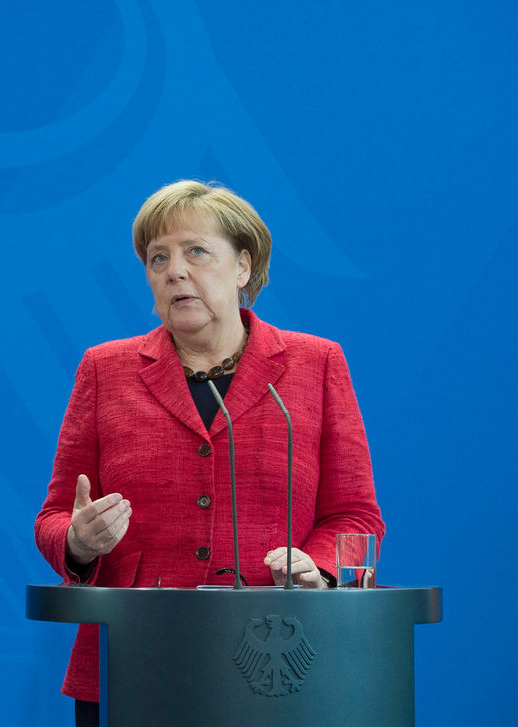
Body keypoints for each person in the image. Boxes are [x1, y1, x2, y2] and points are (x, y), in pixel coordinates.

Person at [33, 180, 384, 725]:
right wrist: (77, 542)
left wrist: (318, 567)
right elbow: (56, 517)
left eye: (196, 251)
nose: (174, 270)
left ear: (243, 266)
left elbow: (354, 515)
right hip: (134, 660)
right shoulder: (104, 369)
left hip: (277, 660)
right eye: (157, 258)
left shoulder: (316, 365)